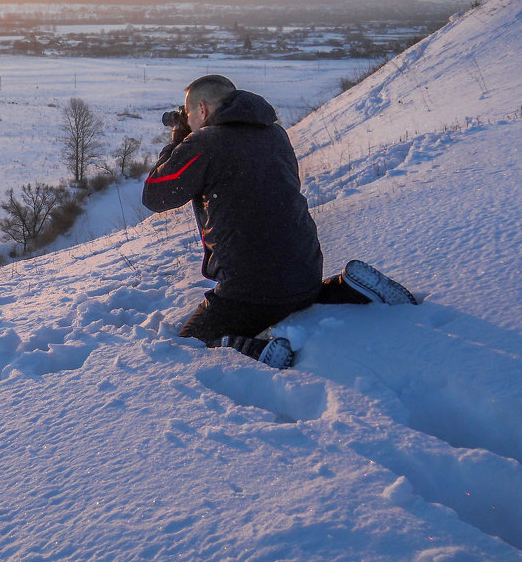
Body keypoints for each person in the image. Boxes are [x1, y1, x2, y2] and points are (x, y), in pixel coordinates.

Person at [141, 74, 416, 369]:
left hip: (249, 289)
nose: (189, 120)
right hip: (306, 270)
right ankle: (345, 289)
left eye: (189, 113)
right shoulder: (276, 134)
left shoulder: (204, 143)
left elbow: (155, 194)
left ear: (203, 110)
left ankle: (250, 348)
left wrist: (177, 140)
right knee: (291, 295)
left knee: (192, 339)